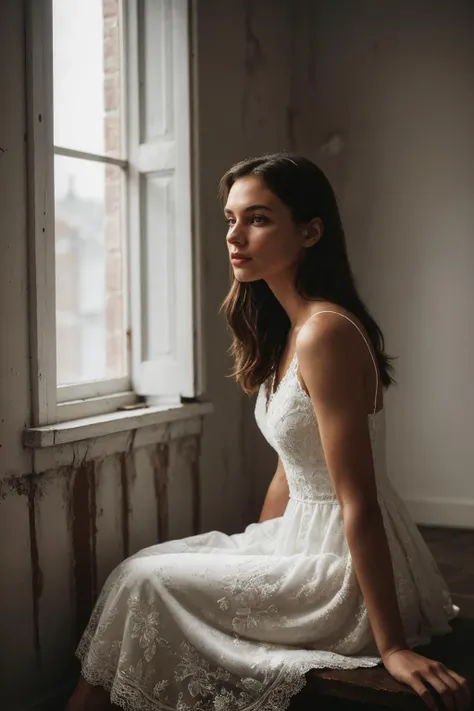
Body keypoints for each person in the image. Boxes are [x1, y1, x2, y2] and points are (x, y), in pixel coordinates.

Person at [66, 154, 470, 711]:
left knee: (141, 582)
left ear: (310, 231)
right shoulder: (290, 329)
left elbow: (359, 502)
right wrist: (255, 554)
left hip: (341, 568)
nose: (235, 236)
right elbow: (292, 462)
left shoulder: (324, 333)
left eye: (257, 219)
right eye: (230, 219)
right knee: (136, 574)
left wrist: (394, 645)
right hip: (299, 539)